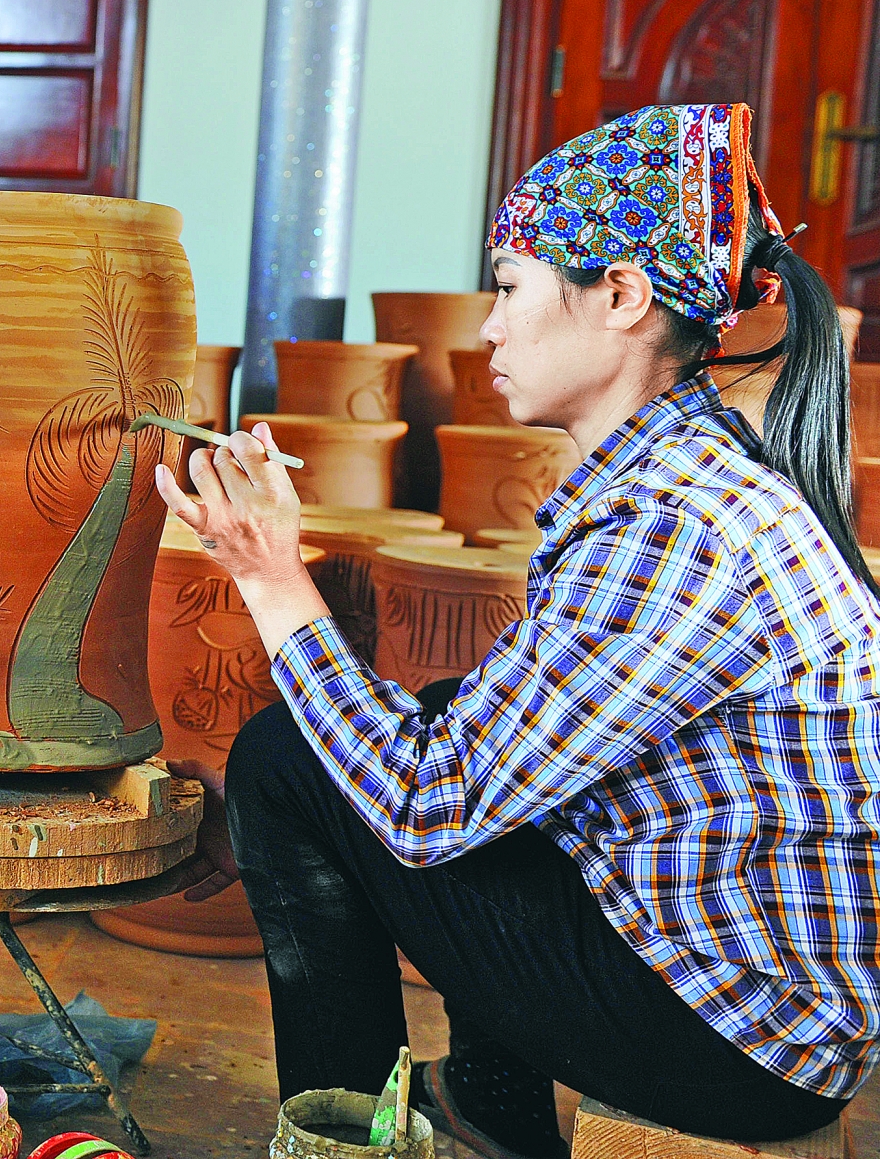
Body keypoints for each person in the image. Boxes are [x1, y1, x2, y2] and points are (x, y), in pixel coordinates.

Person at [162, 104, 880, 1158]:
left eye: (508, 286)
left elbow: (426, 803)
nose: (488, 326)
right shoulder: (685, 472)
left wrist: (273, 577)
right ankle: (491, 1098)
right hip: (747, 982)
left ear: (622, 297)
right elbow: (490, 746)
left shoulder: (676, 531)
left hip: (745, 1036)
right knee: (456, 706)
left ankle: (338, 1140)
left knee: (290, 759)